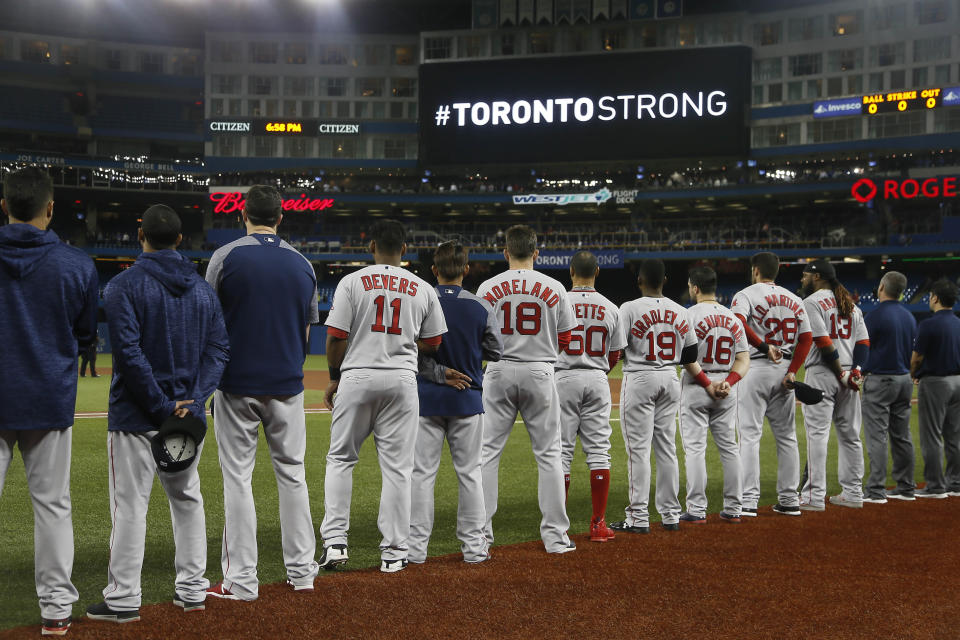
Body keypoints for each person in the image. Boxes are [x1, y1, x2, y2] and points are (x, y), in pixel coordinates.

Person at [86, 205, 229, 623]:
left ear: (140, 233)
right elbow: (219, 349)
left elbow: (129, 355)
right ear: (181, 240)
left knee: (130, 505)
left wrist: (162, 406)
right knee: (187, 499)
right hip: (185, 417)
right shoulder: (204, 291)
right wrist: (193, 400)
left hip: (136, 415)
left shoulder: (122, 286)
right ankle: (191, 590)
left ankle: (124, 598)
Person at [205, 185, 321, 599]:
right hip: (287, 386)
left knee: (238, 478)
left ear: (244, 214)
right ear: (281, 217)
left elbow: (210, 323)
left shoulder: (226, 256)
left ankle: (241, 580)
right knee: (293, 476)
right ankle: (304, 572)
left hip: (236, 385)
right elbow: (307, 331)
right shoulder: (302, 263)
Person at [0, 166, 97, 637]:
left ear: (4, 206)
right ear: (51, 208)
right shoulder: (76, 264)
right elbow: (84, 335)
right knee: (52, 506)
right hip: (48, 397)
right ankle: (56, 608)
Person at [322, 220, 447, 573]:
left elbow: (334, 338)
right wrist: (405, 341)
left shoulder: (351, 281)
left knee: (341, 459)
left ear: (371, 245)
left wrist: (334, 377)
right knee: (398, 470)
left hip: (357, 375)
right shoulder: (422, 288)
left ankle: (335, 543)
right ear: (404, 249)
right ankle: (393, 552)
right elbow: (435, 343)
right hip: (402, 381)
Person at [475, 225, 576, 554]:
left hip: (499, 370)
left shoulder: (488, 287)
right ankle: (556, 538)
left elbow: (479, 337)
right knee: (549, 456)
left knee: (487, 455)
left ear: (505, 252)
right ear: (536, 252)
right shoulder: (555, 287)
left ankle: (481, 537)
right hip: (540, 370)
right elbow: (565, 339)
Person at [409, 241, 502, 564]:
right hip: (467, 399)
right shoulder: (480, 305)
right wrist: (471, 357)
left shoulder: (421, 299)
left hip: (427, 399)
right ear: (465, 269)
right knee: (470, 474)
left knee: (421, 474)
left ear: (434, 270)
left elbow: (410, 347)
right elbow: (497, 350)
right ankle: (475, 549)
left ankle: (415, 549)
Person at [611, 259, 712, 533]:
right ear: (664, 281)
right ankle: (670, 514)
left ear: (640, 281)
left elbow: (617, 348)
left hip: (640, 376)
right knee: (667, 448)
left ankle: (638, 517)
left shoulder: (629, 308)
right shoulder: (681, 310)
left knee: (638, 451)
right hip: (670, 378)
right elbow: (690, 355)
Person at [730, 252, 813, 517]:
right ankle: (789, 499)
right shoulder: (795, 299)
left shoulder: (745, 294)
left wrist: (764, 347)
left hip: (755, 367)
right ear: (776, 271)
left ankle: (748, 500)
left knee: (749, 436)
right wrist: (792, 371)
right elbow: (806, 338)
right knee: (787, 437)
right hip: (784, 372)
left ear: (755, 270)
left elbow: (739, 324)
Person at [554, 251, 625, 541]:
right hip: (597, 378)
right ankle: (598, 524)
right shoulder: (611, 307)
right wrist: (598, 372)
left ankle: (559, 526)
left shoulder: (559, 301)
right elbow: (616, 354)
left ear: (570, 271)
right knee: (599, 451)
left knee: (561, 453)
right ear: (597, 271)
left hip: (563, 376)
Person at [679, 266, 750, 524]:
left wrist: (708, 384)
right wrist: (728, 382)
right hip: (726, 388)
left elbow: (686, 359)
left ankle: (696, 509)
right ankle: (734, 508)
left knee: (695, 450)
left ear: (696, 288)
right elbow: (743, 358)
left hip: (698, 385)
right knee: (729, 448)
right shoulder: (732, 318)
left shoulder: (688, 315)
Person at [799, 259, 870, 510]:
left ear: (817, 277)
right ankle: (853, 493)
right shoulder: (850, 303)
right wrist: (856, 372)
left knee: (817, 435)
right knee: (851, 436)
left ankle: (813, 497)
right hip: (850, 377)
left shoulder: (811, 302)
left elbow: (822, 341)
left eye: (805, 275)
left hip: (824, 373)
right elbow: (863, 344)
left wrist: (840, 373)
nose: (802, 279)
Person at [862, 271, 917, 502]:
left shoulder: (874, 316)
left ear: (882, 286)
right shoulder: (909, 317)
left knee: (877, 437)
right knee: (902, 436)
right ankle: (906, 487)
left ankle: (876, 490)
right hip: (904, 379)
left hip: (880, 379)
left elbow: (863, 350)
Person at [910, 279, 960, 499]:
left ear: (936, 298)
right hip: (958, 381)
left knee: (932, 436)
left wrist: (913, 374)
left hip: (935, 382)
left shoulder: (928, 324)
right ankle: (956, 483)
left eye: (931, 295)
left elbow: (916, 358)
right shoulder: (959, 323)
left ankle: (935, 486)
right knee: (954, 435)